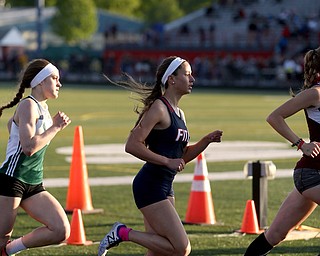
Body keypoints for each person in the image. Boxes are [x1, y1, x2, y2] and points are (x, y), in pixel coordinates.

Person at [98, 56, 223, 256]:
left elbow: (180, 157)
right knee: (181, 248)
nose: (192, 79)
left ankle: (122, 233)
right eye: (187, 74)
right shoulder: (159, 107)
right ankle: (122, 232)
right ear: (172, 79)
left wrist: (205, 141)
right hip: (150, 185)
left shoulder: (180, 114)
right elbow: (132, 145)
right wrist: (166, 161)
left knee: (158, 251)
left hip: (165, 186)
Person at [244, 48, 320, 255]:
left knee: (276, 234)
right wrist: (301, 143)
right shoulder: (315, 93)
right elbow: (274, 117)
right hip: (312, 173)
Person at [0, 59, 71, 256]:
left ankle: (10, 250)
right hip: (12, 181)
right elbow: (29, 147)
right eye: (55, 78)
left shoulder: (43, 109)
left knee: (60, 229)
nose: (59, 84)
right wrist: (55, 127)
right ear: (40, 81)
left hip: (33, 182)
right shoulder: (28, 106)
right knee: (1, 236)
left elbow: (10, 126)